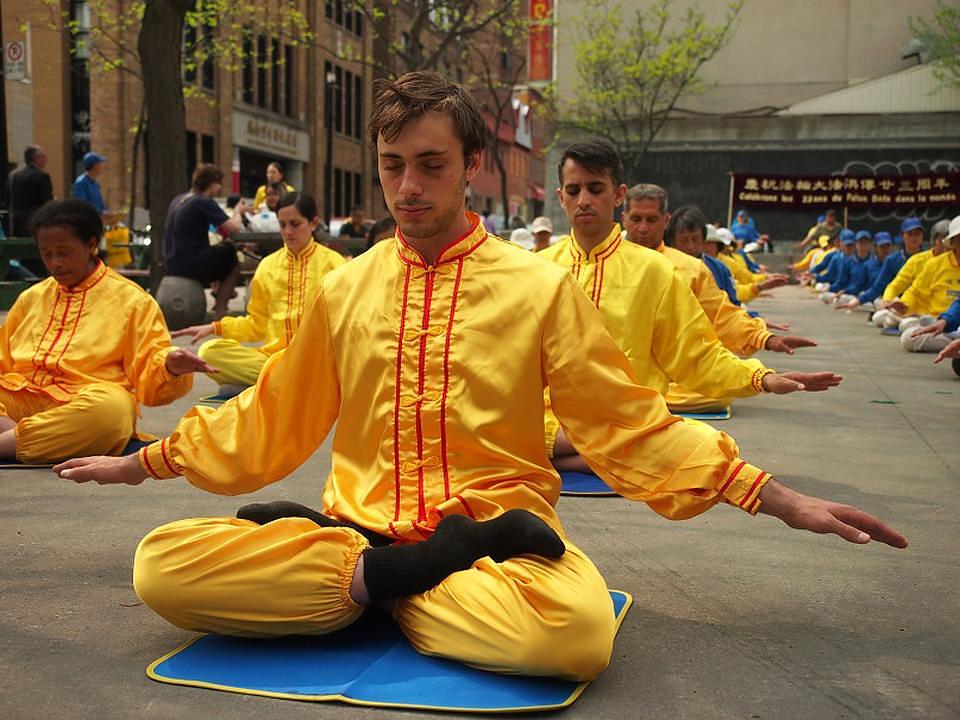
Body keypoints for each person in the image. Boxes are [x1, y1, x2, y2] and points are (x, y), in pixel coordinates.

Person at [54, 72, 905, 683]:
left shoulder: (538, 287)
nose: (408, 185)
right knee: (160, 567)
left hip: (495, 538)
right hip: (363, 532)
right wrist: (144, 460)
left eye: (431, 164)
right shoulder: (347, 286)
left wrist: (772, 493)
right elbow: (274, 407)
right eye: (393, 164)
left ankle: (367, 590)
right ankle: (388, 582)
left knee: (570, 639)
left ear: (469, 166)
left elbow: (627, 422)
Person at [541, 143, 836, 444]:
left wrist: (762, 370)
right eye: (574, 190)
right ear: (560, 197)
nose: (584, 201)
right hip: (549, 421)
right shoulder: (540, 269)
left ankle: (596, 449)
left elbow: (706, 339)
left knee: (708, 446)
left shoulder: (663, 271)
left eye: (595, 189)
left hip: (639, 412)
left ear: (618, 196)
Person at [0, 199, 210, 464]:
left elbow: (149, 373)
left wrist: (170, 366)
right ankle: (19, 439)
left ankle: (15, 439)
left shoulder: (132, 301)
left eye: (63, 253)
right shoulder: (31, 298)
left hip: (84, 406)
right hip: (22, 402)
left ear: (91, 245)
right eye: (46, 254)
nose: (55, 263)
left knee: (115, 411)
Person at [173, 192, 346, 390]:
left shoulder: (335, 264)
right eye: (282, 225)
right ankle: (287, 382)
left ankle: (278, 382)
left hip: (318, 360)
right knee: (209, 352)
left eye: (295, 224)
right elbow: (257, 324)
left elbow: (344, 323)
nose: (288, 231)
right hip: (273, 360)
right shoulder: (268, 266)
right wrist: (215, 328)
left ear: (313, 223)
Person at [162, 164, 247, 320]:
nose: (219, 189)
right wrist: (237, 211)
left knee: (220, 252)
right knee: (231, 254)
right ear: (212, 184)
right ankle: (221, 309)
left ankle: (219, 293)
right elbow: (234, 228)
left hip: (171, 262)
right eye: (219, 184)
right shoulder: (203, 202)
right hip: (189, 263)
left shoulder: (178, 199)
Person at [896, 216, 960, 347]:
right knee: (909, 336)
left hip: (948, 325)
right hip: (939, 320)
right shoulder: (934, 263)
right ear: (952, 243)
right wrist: (903, 305)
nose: (913, 238)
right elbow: (912, 290)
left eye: (917, 234)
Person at [7, 145, 53, 237]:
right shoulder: (42, 176)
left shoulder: (14, 175)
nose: (45, 160)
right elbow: (47, 202)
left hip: (16, 221)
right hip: (35, 222)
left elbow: (8, 198)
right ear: (36, 158)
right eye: (43, 157)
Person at [71, 152, 120, 225]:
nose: (101, 166)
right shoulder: (81, 183)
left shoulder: (96, 184)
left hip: (97, 223)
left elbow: (101, 206)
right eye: (100, 163)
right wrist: (101, 213)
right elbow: (82, 207)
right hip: (86, 224)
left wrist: (110, 214)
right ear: (95, 166)